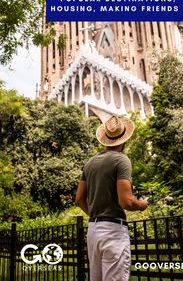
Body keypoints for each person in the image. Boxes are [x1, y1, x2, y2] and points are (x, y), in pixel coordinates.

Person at [75, 115, 148, 281]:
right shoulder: (121, 160)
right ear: (124, 140)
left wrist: (96, 215)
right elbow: (126, 201)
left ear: (105, 139)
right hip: (113, 231)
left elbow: (79, 199)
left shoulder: (90, 163)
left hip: (93, 231)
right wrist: (141, 204)